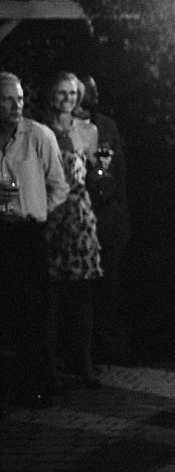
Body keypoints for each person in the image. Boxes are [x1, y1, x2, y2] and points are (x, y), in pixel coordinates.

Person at [0, 72, 69, 408]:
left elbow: (60, 187)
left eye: (20, 99)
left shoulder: (38, 136)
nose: (16, 106)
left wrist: (38, 214)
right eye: (7, 99)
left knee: (32, 315)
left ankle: (37, 385)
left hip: (27, 235)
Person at [41, 72, 104, 389]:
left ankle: (85, 364)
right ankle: (49, 367)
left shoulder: (87, 130)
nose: (66, 98)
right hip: (51, 216)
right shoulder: (39, 130)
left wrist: (103, 164)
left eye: (71, 93)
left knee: (82, 295)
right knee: (48, 296)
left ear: (78, 97)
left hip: (78, 217)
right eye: (60, 92)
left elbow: (96, 174)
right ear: (51, 95)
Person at [76, 75, 132, 365]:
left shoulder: (107, 125)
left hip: (108, 214)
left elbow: (118, 170)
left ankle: (109, 346)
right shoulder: (66, 127)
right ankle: (83, 350)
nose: (93, 95)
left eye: (95, 90)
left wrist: (121, 211)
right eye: (88, 90)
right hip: (79, 213)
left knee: (110, 282)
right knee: (83, 287)